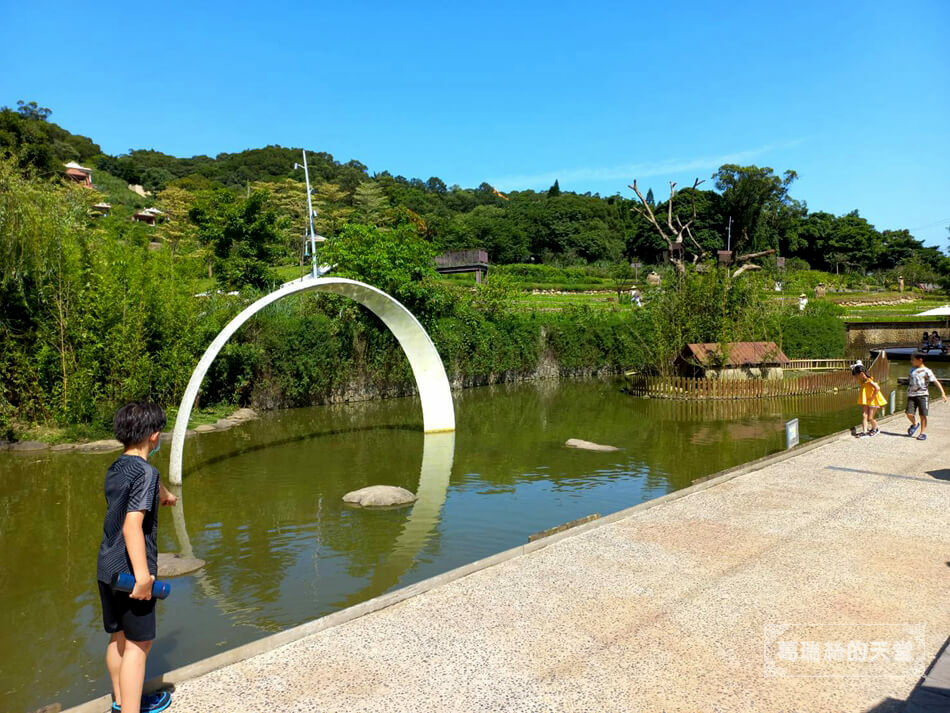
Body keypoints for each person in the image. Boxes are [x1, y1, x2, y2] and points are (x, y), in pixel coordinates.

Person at [97, 402, 177, 713]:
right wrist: (143, 577)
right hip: (131, 574)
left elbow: (147, 482)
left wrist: (166, 495)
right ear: (155, 436)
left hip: (107, 567)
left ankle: (119, 703)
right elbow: (133, 524)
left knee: (118, 636)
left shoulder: (117, 466)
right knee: (139, 645)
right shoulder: (146, 471)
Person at [906, 351, 948, 441]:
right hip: (911, 395)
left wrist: (943, 393)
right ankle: (915, 424)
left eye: (913, 359)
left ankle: (922, 433)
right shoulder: (911, 369)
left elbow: (936, 381)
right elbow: (910, 379)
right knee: (909, 414)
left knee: (923, 415)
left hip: (923, 395)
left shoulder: (927, 371)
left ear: (920, 360)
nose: (911, 361)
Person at [852, 364, 887, 437]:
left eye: (856, 375)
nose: (856, 378)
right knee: (864, 415)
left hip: (872, 401)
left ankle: (876, 429)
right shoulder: (862, 381)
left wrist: (872, 397)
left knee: (870, 417)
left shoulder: (869, 380)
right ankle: (864, 431)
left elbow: (877, 388)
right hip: (866, 401)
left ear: (861, 374)